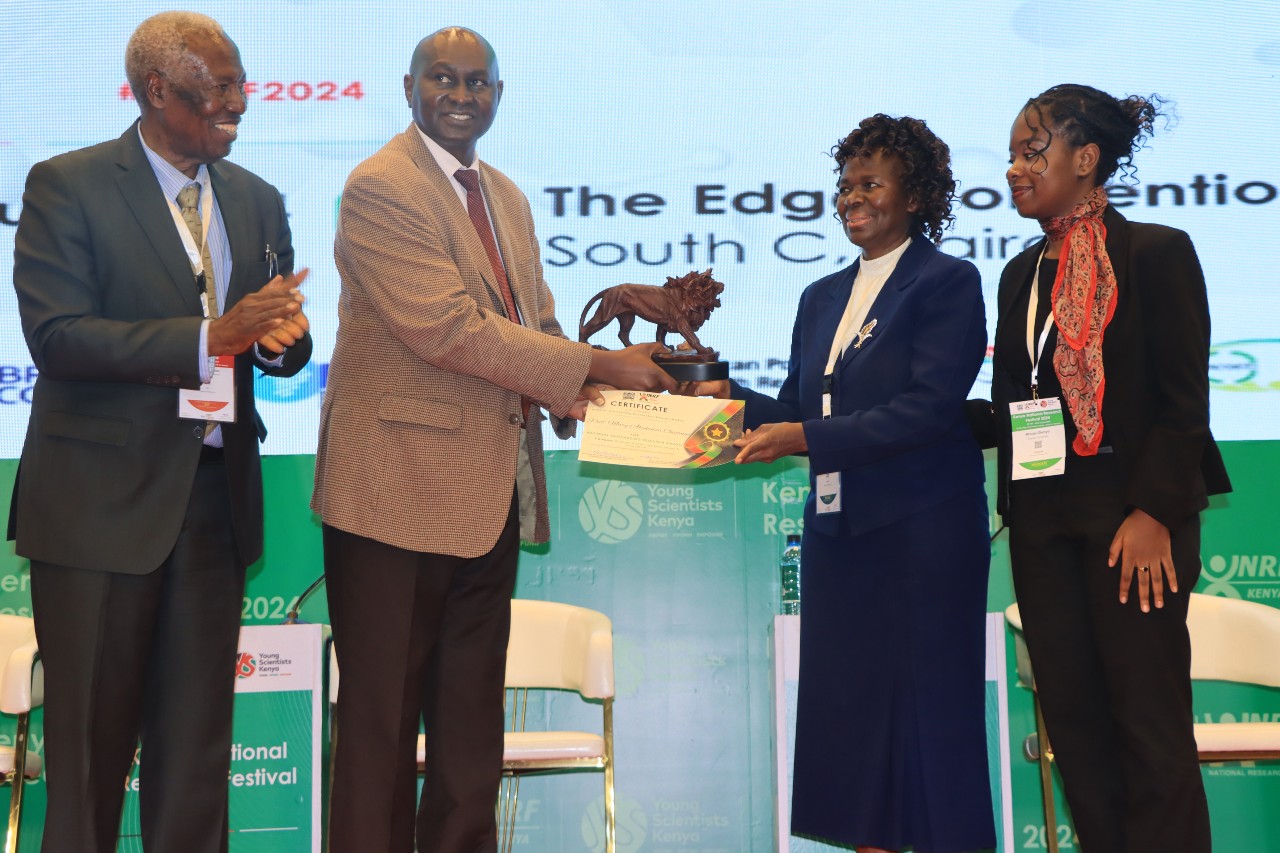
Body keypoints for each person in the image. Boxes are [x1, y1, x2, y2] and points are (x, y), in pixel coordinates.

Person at [312, 26, 675, 852]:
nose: (462, 95)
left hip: (490, 496)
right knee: (378, 734)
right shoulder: (381, 186)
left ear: (499, 98)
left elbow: (529, 325)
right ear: (408, 88)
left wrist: (594, 391)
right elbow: (447, 329)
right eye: (443, 78)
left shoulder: (505, 195)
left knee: (470, 737)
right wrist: (600, 365)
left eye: (479, 83)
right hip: (392, 497)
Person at [6, 11, 311, 852]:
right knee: (91, 760)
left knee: (195, 756)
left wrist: (283, 343)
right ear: (156, 92)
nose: (240, 104)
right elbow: (58, 335)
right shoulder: (66, 184)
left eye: (241, 85)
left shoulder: (257, 199)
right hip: (99, 513)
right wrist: (210, 336)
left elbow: (274, 338)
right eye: (219, 91)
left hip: (212, 506)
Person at [684, 115, 994, 852]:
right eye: (844, 185)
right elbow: (797, 410)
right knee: (851, 727)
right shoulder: (822, 297)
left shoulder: (948, 281)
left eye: (869, 184)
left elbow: (926, 409)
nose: (850, 198)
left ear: (914, 194)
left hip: (925, 534)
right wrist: (718, 394)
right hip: (841, 538)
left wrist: (804, 437)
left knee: (929, 721)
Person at [992, 84, 1230, 852]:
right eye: (1012, 154)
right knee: (1079, 736)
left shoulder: (1156, 252)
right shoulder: (1019, 273)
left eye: (1033, 150)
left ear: (1086, 158)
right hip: (1044, 529)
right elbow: (1017, 406)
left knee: (1149, 732)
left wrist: (1156, 512)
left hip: (1135, 525)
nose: (1014, 168)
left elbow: (1183, 401)